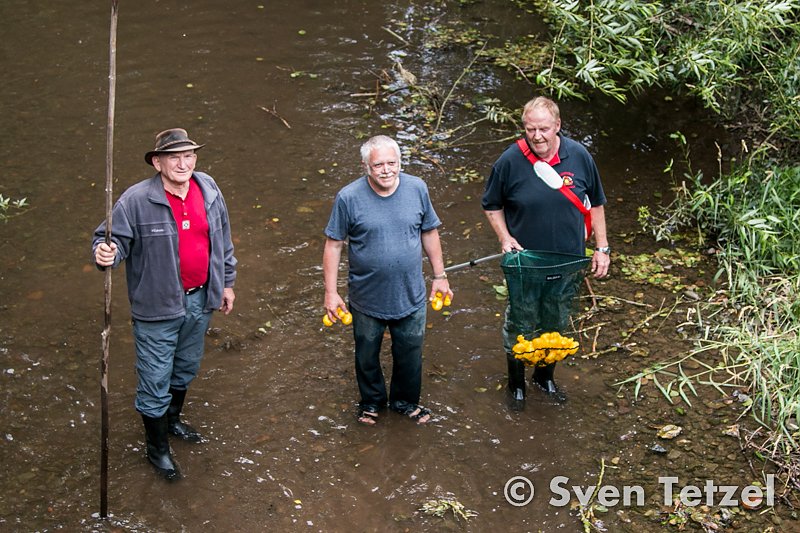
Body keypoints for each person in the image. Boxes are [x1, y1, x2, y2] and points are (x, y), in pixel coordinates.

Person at [92, 128, 237, 480]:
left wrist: (227, 282)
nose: (182, 163)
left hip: (202, 299)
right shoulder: (135, 200)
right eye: (174, 157)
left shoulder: (208, 188)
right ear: (157, 162)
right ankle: (157, 450)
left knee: (185, 367)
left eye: (188, 156)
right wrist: (105, 252)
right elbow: (109, 241)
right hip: (156, 308)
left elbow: (223, 238)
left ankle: (173, 422)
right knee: (155, 380)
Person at [482, 96, 610, 406]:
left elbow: (597, 203)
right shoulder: (510, 161)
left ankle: (544, 377)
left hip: (567, 260)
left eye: (543, 129)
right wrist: (504, 237)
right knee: (520, 322)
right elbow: (491, 204)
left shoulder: (579, 156)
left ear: (558, 127)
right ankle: (516, 385)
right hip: (524, 262)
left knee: (556, 320)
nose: (537, 136)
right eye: (530, 129)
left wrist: (602, 248)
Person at [322, 135, 452, 426]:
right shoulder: (348, 197)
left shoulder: (417, 188)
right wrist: (331, 293)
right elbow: (333, 244)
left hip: (411, 293)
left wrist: (439, 276)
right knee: (366, 354)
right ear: (365, 166)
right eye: (378, 164)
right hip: (366, 297)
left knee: (410, 352)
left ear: (400, 163)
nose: (386, 170)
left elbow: (429, 232)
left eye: (392, 163)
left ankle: (405, 402)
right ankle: (371, 403)